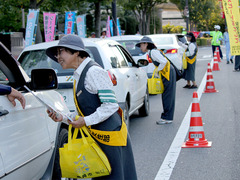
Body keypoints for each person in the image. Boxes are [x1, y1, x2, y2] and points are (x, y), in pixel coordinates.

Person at [45, 34, 137, 180]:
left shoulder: (94, 71)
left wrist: (85, 121)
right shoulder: (79, 74)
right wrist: (62, 117)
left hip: (109, 137)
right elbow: (86, 109)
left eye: (60, 51)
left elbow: (111, 105)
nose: (58, 57)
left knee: (114, 176)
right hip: (97, 137)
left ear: (76, 52)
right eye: (56, 53)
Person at [136, 36, 176, 125]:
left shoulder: (153, 52)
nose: (140, 47)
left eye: (141, 45)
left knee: (167, 95)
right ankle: (167, 117)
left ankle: (167, 118)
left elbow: (164, 62)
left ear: (146, 44)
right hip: (168, 72)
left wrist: (157, 70)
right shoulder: (152, 52)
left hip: (167, 73)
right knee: (167, 95)